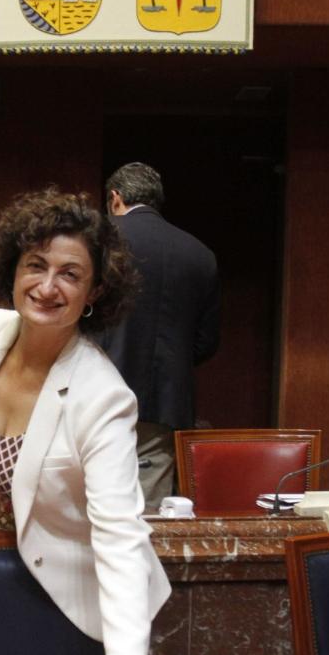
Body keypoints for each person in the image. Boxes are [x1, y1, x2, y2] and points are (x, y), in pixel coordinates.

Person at [0, 187, 185, 655]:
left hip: (68, 596)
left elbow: (119, 534)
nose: (48, 286)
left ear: (95, 290)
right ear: (12, 269)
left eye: (70, 273)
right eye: (36, 265)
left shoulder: (102, 396)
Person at [103, 162, 220, 506]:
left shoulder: (100, 240)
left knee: (89, 506)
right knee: (149, 513)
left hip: (94, 394)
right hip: (164, 401)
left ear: (115, 198)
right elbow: (206, 342)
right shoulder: (200, 254)